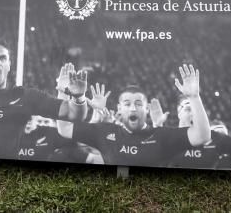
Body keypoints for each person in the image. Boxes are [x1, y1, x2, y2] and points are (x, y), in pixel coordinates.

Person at [56, 65, 212, 166]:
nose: (132, 108)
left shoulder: (162, 136)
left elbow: (202, 136)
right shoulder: (104, 132)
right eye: (127, 104)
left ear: (146, 109)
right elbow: (64, 128)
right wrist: (66, 93)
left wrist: (194, 97)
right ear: (119, 109)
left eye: (138, 104)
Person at [168, 97, 231, 169]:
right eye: (188, 109)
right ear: (178, 112)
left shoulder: (213, 138)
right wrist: (156, 126)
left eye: (196, 110)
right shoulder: (166, 138)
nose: (193, 114)